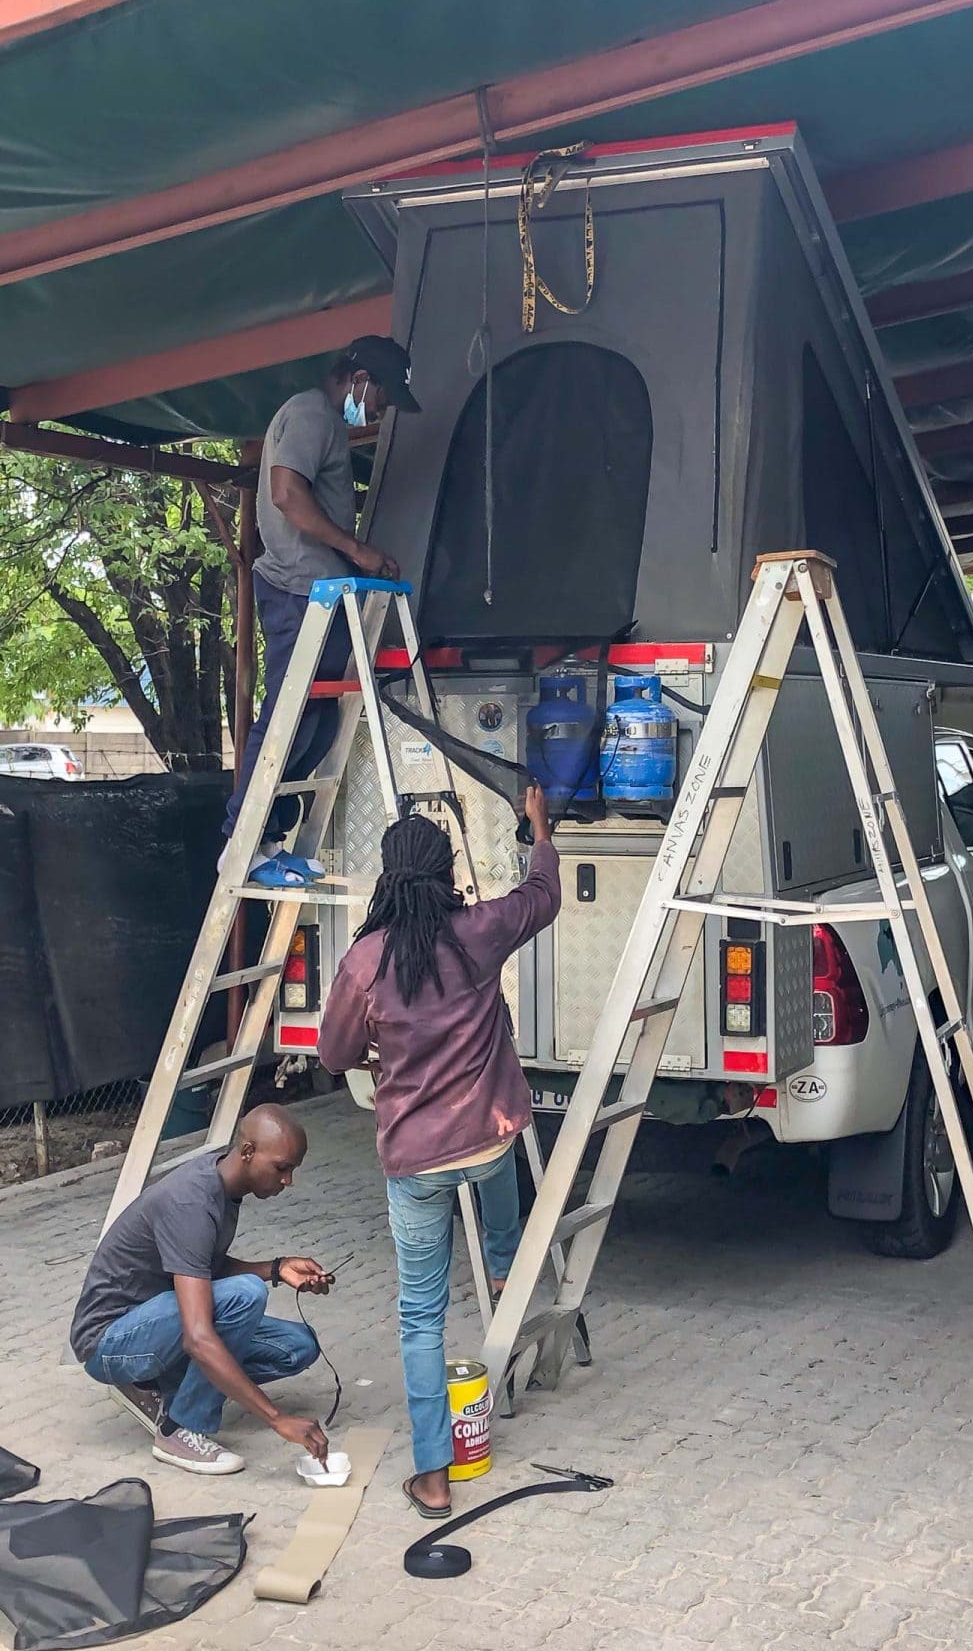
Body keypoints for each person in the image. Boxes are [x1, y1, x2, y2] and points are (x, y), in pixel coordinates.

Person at [318, 785, 560, 1519]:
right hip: (490, 1138)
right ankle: (503, 1261)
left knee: (420, 1317)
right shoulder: (479, 931)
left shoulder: (365, 960)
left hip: (416, 1161)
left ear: (388, 878)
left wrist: (375, 1052)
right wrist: (540, 830)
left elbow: (332, 1056)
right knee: (501, 1200)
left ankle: (432, 1474)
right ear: (448, 870)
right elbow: (542, 895)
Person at [220, 334, 420, 888]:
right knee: (287, 715)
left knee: (316, 721)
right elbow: (287, 493)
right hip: (300, 592)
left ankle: (268, 841)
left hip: (322, 592)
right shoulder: (311, 414)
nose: (378, 409)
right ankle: (242, 839)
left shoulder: (325, 422)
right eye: (381, 396)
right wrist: (356, 552)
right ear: (360, 379)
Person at [71, 1104, 334, 1477]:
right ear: (247, 1152)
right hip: (109, 1342)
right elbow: (197, 1336)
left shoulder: (222, 1182)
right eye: (282, 1168)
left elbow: (200, 1266)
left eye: (292, 1170)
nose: (288, 1180)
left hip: (161, 1321)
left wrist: (276, 1269)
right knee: (244, 1295)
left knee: (299, 1345)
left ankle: (156, 1383)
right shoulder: (191, 1201)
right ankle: (179, 1428)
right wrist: (276, 1418)